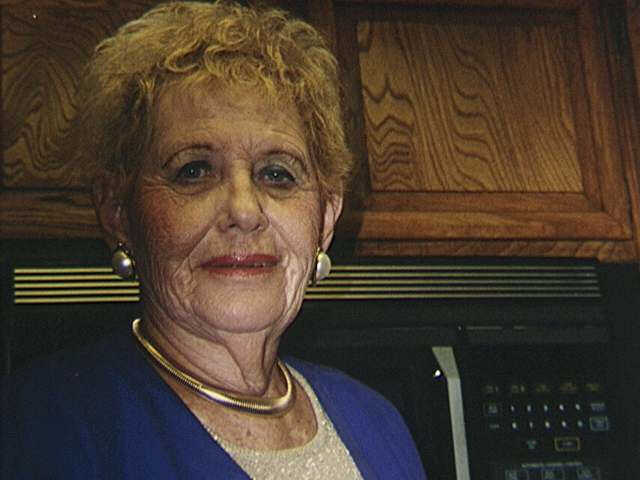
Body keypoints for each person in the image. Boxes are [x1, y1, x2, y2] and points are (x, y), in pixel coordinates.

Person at [3, 2, 427, 478]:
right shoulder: (42, 427)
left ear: (326, 218)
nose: (244, 212)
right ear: (119, 212)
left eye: (277, 174)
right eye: (194, 171)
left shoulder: (377, 421)